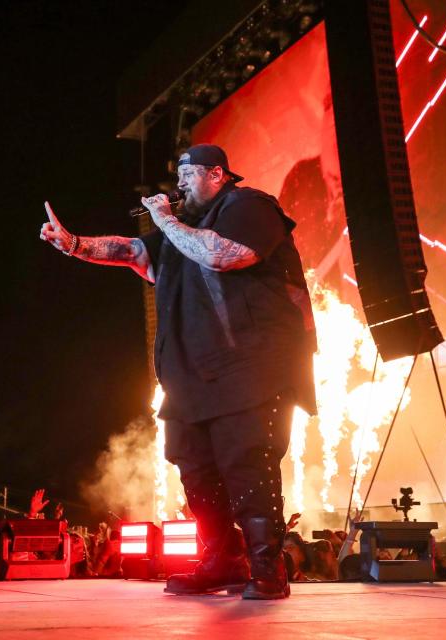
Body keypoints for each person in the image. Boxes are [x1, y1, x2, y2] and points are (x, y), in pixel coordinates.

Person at [41, 144, 317, 599]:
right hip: (190, 376)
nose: (180, 183)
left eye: (188, 174)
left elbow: (226, 255)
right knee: (195, 470)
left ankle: (268, 567)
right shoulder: (180, 228)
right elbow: (131, 251)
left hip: (251, 367)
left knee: (248, 464)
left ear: (217, 173)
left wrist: (166, 219)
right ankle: (223, 558)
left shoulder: (249, 206)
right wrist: (73, 244)